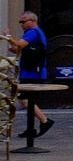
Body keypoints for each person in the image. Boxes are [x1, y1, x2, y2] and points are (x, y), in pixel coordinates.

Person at [9, 11, 52, 144]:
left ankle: (44, 121)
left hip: (32, 72)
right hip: (31, 71)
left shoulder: (32, 32)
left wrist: (7, 37)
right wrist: (11, 42)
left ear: (33, 21)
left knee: (25, 100)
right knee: (27, 99)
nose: (21, 24)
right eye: (20, 22)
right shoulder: (34, 33)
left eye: (24, 21)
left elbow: (19, 45)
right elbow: (17, 49)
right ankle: (31, 128)